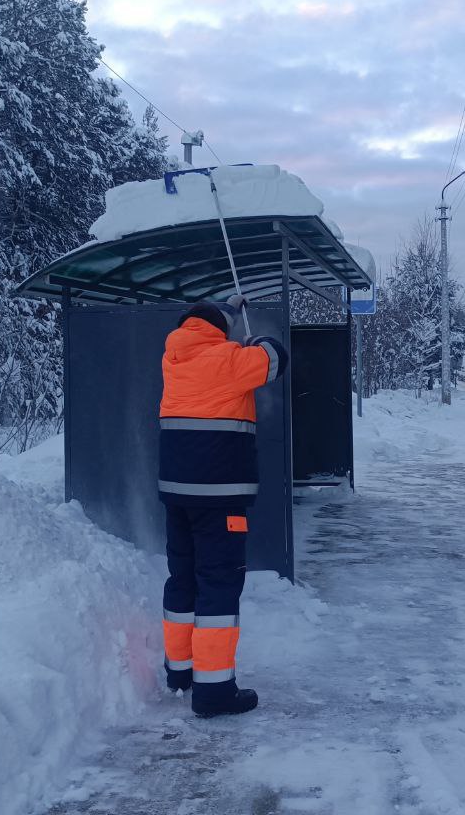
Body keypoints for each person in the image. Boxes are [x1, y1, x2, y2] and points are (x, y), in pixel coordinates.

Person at [157, 295, 288, 718]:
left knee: (183, 580)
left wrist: (229, 312)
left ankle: (180, 672)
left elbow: (212, 332)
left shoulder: (173, 360)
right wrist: (256, 338)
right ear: (221, 330)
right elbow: (276, 359)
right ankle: (214, 692)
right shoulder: (230, 359)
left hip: (177, 496)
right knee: (218, 586)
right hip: (221, 497)